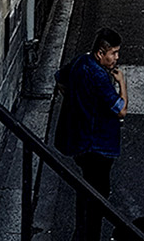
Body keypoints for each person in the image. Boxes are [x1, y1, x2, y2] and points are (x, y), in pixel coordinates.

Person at [54, 27, 128, 241]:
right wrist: (122, 82)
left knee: (86, 191)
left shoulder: (80, 62)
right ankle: (88, 236)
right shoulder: (99, 76)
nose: (116, 57)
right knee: (98, 196)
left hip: (81, 139)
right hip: (98, 144)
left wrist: (78, 103)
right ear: (100, 53)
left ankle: (82, 233)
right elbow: (121, 108)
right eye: (113, 53)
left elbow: (60, 80)